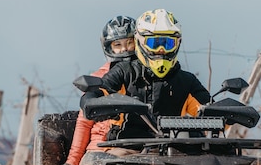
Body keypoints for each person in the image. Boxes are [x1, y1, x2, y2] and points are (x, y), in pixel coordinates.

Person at [80, 8, 211, 142]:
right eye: (154, 43)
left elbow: (207, 108)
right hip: (127, 147)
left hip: (174, 150)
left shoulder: (186, 81)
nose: (161, 50)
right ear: (140, 42)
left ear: (177, 44)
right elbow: (101, 90)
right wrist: (93, 101)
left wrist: (226, 112)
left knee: (215, 159)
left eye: (168, 43)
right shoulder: (124, 71)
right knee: (99, 161)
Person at [60, 15, 137, 165]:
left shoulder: (147, 77)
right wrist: (73, 161)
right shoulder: (99, 78)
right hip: (101, 147)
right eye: (118, 44)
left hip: (137, 148)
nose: (124, 49)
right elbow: (84, 123)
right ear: (109, 48)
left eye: (129, 42)